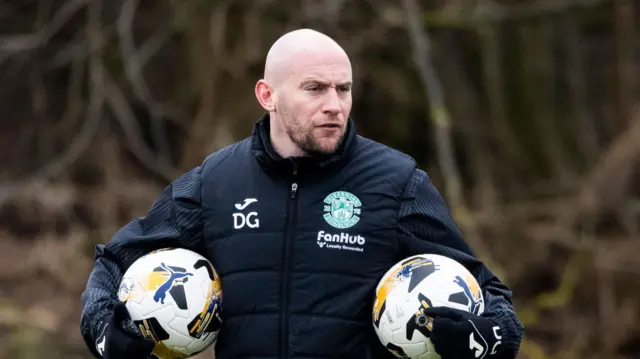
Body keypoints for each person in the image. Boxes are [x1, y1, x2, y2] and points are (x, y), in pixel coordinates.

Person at [80, 28, 524, 359]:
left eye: (343, 89)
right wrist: (103, 329)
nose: (335, 103)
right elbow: (115, 259)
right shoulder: (217, 181)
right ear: (267, 95)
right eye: (315, 88)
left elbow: (489, 295)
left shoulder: (398, 182)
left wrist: (488, 340)